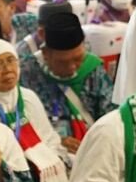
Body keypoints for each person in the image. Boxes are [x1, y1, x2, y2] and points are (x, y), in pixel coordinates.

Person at [0, 37, 67, 182]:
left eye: (11, 60)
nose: (7, 69)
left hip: (42, 180)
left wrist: (48, 162)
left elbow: (49, 139)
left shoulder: (28, 97)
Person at [17, 11, 115, 154]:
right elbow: (19, 122)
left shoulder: (93, 70)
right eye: (63, 62)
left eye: (78, 58)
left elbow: (111, 118)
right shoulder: (26, 73)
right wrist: (54, 142)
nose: (72, 67)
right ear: (45, 53)